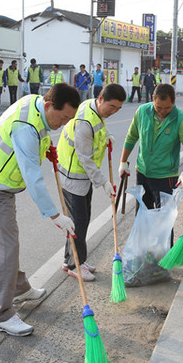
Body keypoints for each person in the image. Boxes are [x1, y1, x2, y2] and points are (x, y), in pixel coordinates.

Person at [0, 83, 81, 337]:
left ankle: (19, 289)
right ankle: (0, 315)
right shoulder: (26, 127)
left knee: (9, 243)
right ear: (48, 105)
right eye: (63, 117)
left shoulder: (37, 106)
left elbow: (40, 136)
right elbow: (33, 176)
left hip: (3, 186)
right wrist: (55, 215)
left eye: (69, 119)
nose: (64, 123)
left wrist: (47, 148)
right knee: (5, 249)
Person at [57, 83, 126, 281]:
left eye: (118, 108)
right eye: (112, 107)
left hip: (82, 177)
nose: (113, 111)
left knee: (81, 219)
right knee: (78, 221)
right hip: (73, 177)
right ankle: (74, 265)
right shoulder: (85, 121)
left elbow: (100, 126)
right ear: (101, 99)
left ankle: (71, 259)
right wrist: (104, 182)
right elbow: (85, 157)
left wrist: (108, 135)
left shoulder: (94, 109)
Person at [119, 83, 183, 245]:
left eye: (167, 108)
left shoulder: (180, 120)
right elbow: (131, 137)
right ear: (153, 100)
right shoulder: (142, 112)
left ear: (173, 103)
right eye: (158, 107)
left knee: (164, 219)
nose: (162, 112)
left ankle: (165, 254)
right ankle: (143, 250)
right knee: (142, 215)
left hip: (165, 177)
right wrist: (123, 161)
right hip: (142, 173)